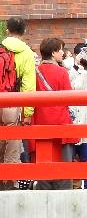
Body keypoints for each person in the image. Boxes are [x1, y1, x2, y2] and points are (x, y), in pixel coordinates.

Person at [31, 37, 75, 190]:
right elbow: (69, 98)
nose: (63, 53)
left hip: (40, 123)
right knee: (63, 169)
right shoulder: (62, 72)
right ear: (54, 52)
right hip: (61, 123)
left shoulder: (35, 72)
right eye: (61, 49)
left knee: (43, 168)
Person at [0, 16, 35, 189]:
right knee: (12, 145)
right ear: (24, 32)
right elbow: (28, 85)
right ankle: (10, 184)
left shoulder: (1, 48)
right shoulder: (27, 53)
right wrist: (28, 113)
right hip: (13, 102)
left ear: (7, 31)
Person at [67, 42, 87, 188]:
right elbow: (70, 77)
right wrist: (76, 62)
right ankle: (71, 186)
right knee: (70, 158)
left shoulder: (85, 73)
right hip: (72, 118)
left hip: (85, 118)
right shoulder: (67, 67)